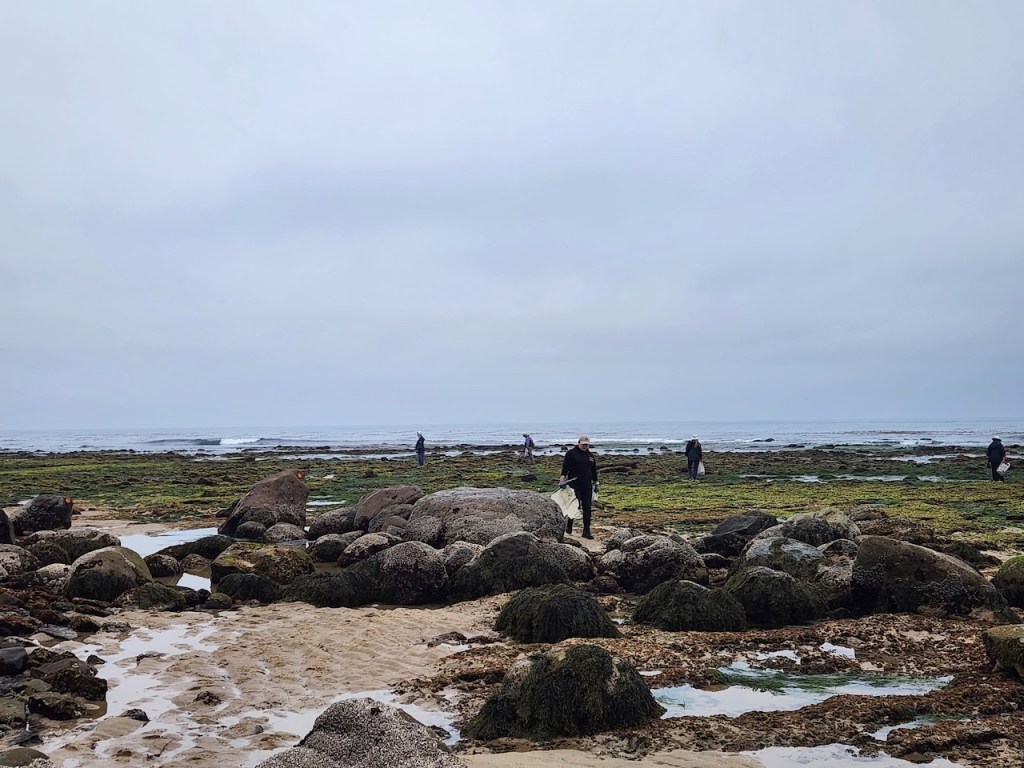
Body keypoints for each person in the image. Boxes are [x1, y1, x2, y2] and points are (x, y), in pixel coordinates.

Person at [559, 434, 598, 539]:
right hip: (574, 485)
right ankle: (569, 526)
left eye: (587, 445)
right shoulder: (571, 454)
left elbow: (593, 470)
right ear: (579, 443)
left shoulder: (590, 456)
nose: (585, 446)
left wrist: (596, 482)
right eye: (583, 444)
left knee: (587, 509)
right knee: (574, 507)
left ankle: (586, 531)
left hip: (587, 486)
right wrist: (562, 479)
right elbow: (565, 468)